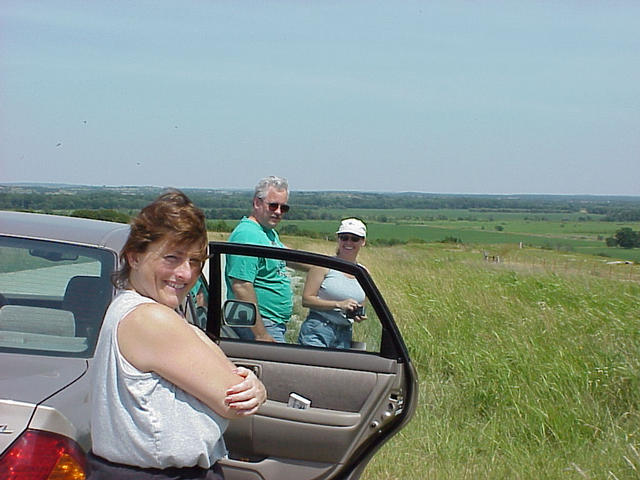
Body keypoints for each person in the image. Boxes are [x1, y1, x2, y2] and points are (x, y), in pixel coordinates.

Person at [90, 190, 266, 479]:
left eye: (196, 261)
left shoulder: (135, 307)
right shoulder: (149, 318)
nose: (186, 273)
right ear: (134, 257)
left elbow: (226, 377)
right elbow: (233, 402)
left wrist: (251, 385)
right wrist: (254, 388)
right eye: (172, 258)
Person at [225, 176, 292, 343]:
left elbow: (286, 256)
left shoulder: (267, 232)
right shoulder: (248, 235)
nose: (278, 212)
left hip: (271, 323)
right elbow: (241, 286)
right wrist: (261, 334)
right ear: (257, 203)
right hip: (258, 324)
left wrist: (324, 266)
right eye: (273, 205)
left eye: (283, 208)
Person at [298, 218, 367, 349]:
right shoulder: (323, 265)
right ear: (338, 239)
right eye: (344, 238)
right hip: (318, 329)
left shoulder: (363, 273)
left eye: (354, 239)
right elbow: (306, 300)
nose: (348, 242)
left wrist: (358, 315)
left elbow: (362, 303)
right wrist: (338, 304)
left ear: (363, 242)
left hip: (345, 333)